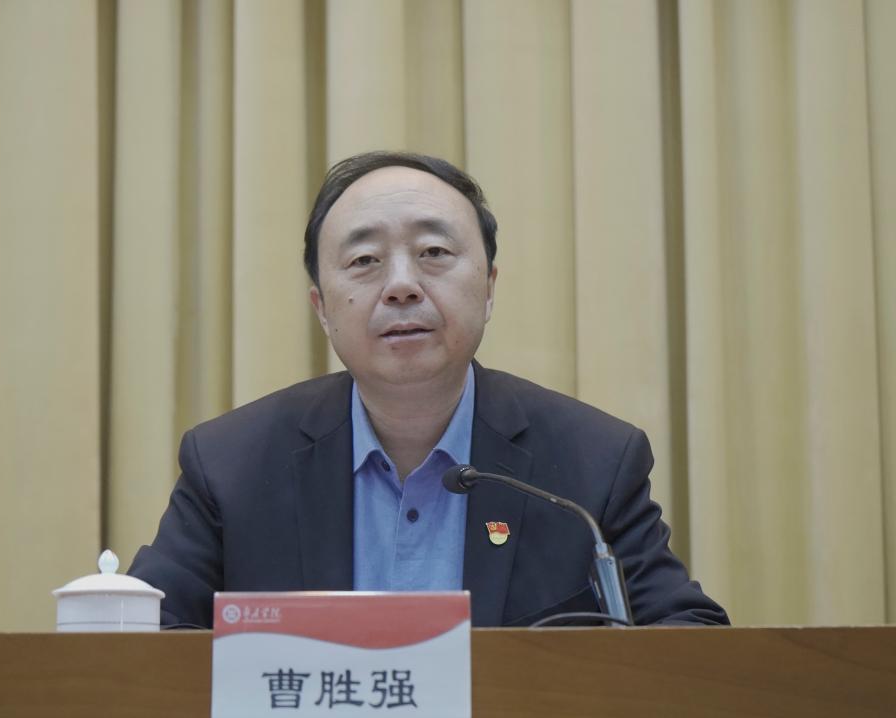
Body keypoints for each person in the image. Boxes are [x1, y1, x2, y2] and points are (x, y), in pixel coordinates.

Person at [128, 151, 728, 628]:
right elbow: (144, 640)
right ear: (322, 308)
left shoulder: (592, 463)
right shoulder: (231, 465)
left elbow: (688, 637)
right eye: (365, 260)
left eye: (434, 252)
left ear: (489, 288)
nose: (402, 285)